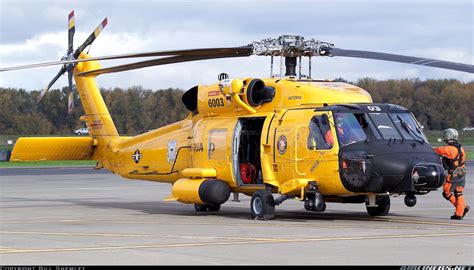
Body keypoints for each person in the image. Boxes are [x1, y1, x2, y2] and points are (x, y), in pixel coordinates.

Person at [434, 128, 470, 220]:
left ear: (448, 136)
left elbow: (436, 151)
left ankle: (462, 208)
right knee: (459, 193)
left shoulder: (449, 149)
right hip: (462, 172)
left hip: (453, 174)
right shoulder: (460, 148)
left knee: (447, 193)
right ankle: (459, 213)